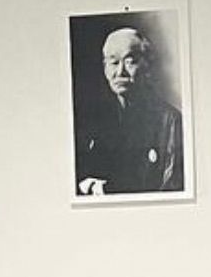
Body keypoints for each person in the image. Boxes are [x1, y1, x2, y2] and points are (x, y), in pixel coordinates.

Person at [77, 25, 185, 196]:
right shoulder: (93, 120)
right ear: (105, 68)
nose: (120, 72)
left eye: (130, 61)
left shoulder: (171, 121)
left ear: (147, 67)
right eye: (113, 62)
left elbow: (171, 190)